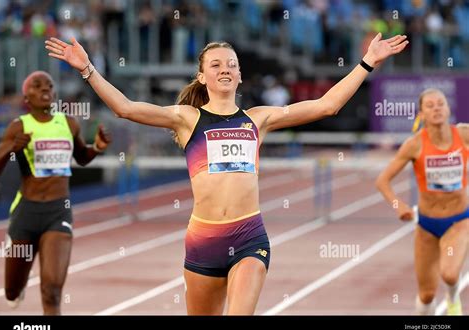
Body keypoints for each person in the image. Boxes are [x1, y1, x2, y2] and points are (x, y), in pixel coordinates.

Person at [45, 32, 408, 315]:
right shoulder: (186, 119)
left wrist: (367, 62)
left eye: (231, 64)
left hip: (250, 236)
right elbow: (125, 108)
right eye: (215, 64)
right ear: (202, 76)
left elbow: (326, 106)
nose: (224, 69)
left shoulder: (258, 119)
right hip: (203, 241)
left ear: (239, 74)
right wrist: (87, 69)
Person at [0, 71, 111, 315]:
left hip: (58, 213)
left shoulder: (68, 123)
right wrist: (11, 151)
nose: (45, 88)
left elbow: (81, 157)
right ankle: (16, 281)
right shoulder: (18, 127)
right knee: (12, 293)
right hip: (26, 212)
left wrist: (97, 147)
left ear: (55, 94)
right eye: (37, 85)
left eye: (49, 85)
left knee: (52, 291)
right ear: (27, 96)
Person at [376, 88, 468, 315]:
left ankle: (453, 297)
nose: (436, 108)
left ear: (448, 109)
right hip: (426, 224)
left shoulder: (464, 135)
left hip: (459, 220)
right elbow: (383, 181)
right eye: (430, 105)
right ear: (421, 114)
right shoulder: (414, 145)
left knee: (449, 274)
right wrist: (399, 206)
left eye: (441, 103)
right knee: (426, 295)